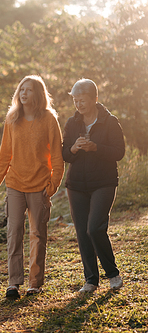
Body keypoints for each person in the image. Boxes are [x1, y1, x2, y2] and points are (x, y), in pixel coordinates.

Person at [0, 75, 65, 299]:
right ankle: (13, 283)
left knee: (38, 234)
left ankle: (35, 283)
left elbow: (57, 157)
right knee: (14, 233)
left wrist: (52, 186)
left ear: (38, 94)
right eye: (21, 89)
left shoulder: (49, 119)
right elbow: (5, 155)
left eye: (29, 90)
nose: (24, 93)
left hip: (40, 186)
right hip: (15, 185)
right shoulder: (12, 119)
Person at [62, 78, 125, 293]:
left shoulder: (110, 121)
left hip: (104, 183)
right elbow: (63, 155)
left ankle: (113, 273)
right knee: (82, 232)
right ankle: (91, 280)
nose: (78, 105)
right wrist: (73, 149)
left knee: (95, 228)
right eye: (75, 101)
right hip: (76, 185)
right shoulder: (72, 123)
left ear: (95, 99)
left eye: (82, 100)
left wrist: (95, 147)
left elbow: (119, 152)